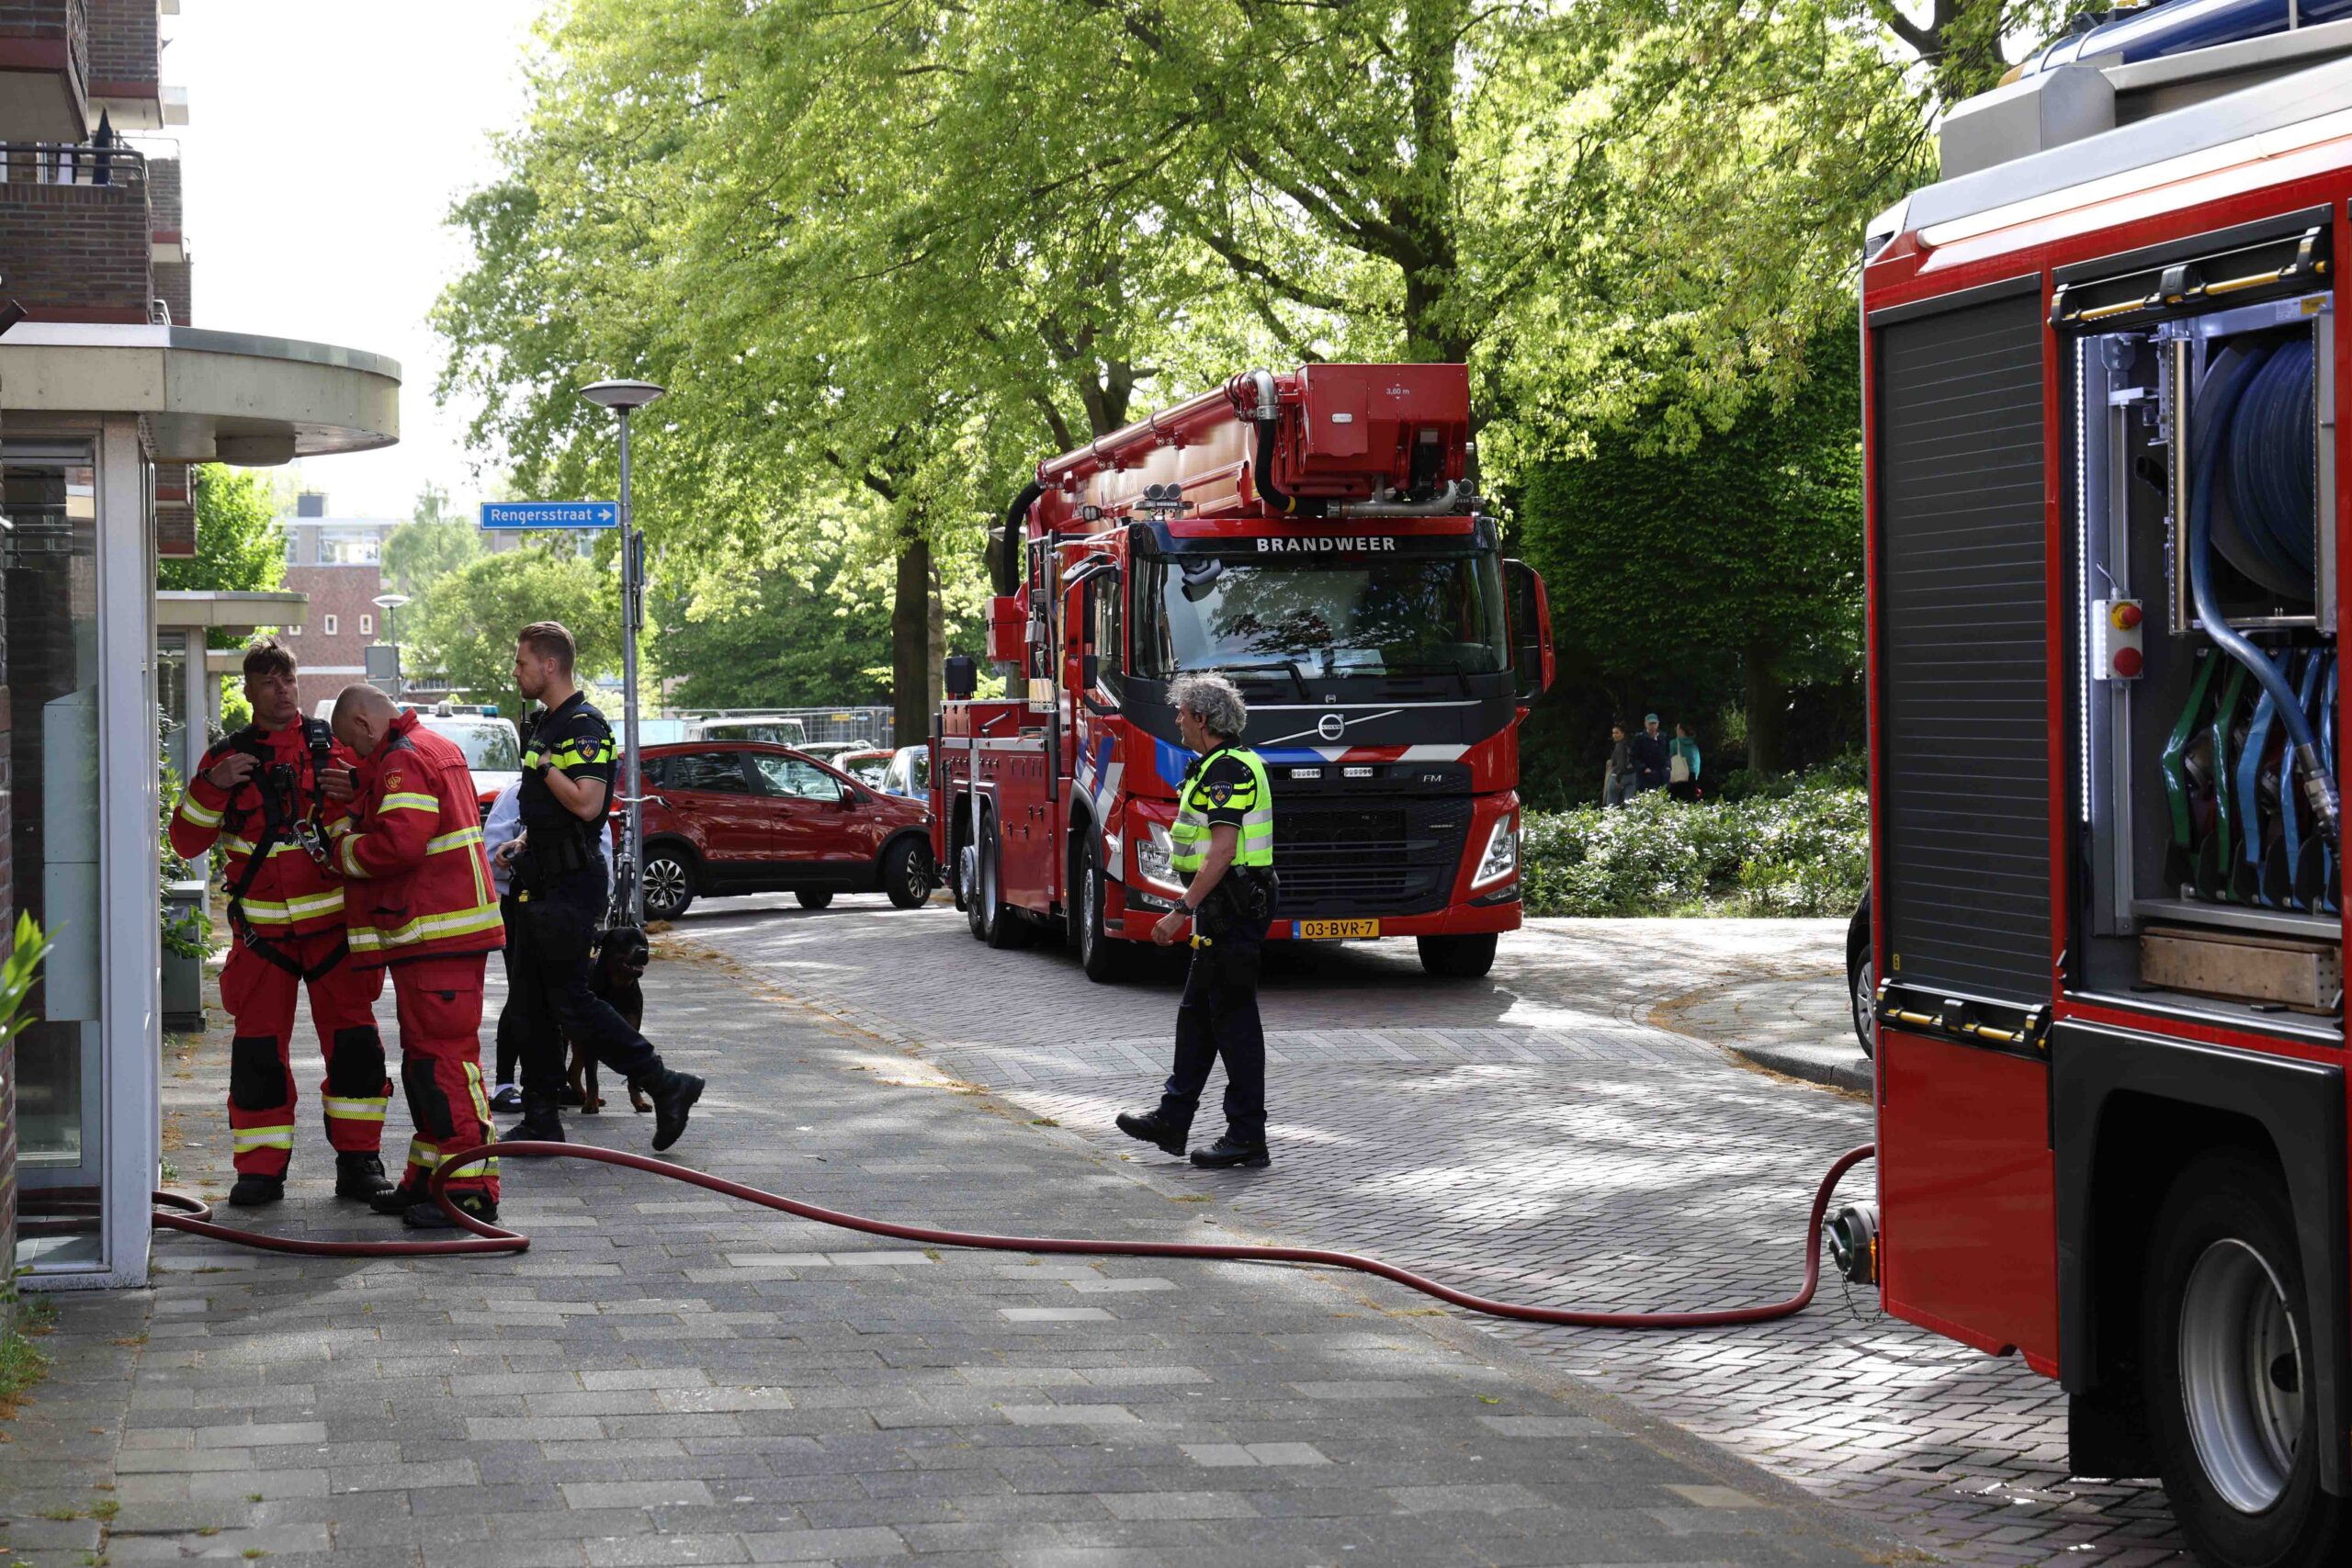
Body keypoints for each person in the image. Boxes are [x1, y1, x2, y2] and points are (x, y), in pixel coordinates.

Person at [167, 639, 392, 1208]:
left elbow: (380, 819)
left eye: (287, 679)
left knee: (355, 1047)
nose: (282, 690)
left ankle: (360, 1161)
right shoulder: (224, 760)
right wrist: (214, 787)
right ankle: (261, 1170)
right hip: (263, 936)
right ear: (248, 690)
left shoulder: (333, 748)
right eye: (268, 681)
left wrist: (358, 791)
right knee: (258, 1053)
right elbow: (185, 841)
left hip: (334, 932)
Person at [499, 622, 703, 1150]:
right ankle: (542, 1115)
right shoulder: (549, 724)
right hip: (541, 882)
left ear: (549, 666)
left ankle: (665, 1083)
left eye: (522, 662)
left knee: (571, 1000)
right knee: (530, 1007)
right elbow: (554, 812)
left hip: (570, 887)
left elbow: (589, 804)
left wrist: (545, 766)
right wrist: (524, 840)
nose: (515, 672)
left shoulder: (583, 726)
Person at [327, 683, 507, 1228]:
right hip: (437, 938)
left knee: (445, 1063)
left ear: (365, 723)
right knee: (425, 1064)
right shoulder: (434, 746)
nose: (358, 756)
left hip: (436, 937)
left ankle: (470, 1191)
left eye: (355, 745)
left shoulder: (403, 759)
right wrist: (363, 783)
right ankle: (430, 1179)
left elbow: (400, 843)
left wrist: (341, 849)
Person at [1114, 673, 1277, 1170]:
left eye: (1182, 713)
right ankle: (1173, 1118)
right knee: (1198, 1017)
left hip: (1232, 907)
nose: (1177, 721)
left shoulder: (1228, 770)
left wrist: (1180, 911)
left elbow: (1223, 851)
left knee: (1234, 1023)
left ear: (1203, 719)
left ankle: (1246, 1136)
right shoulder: (1220, 764)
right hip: (1225, 906)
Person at [482, 779, 611, 1115]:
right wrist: (521, 863)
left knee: (559, 997)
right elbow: (491, 854)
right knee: (522, 995)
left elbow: (602, 851)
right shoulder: (516, 795)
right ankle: (505, 1083)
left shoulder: (586, 795)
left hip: (571, 907)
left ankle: (549, 1082)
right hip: (522, 904)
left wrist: (597, 905)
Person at [1631, 712, 1670, 795]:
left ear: (1658, 724)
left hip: (1662, 775)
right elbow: (1634, 757)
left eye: (1654, 723)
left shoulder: (1663, 737)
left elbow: (1668, 753)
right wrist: (1644, 768)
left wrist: (1668, 766)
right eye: (1650, 724)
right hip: (1646, 777)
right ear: (1645, 724)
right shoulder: (1639, 738)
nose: (1653, 726)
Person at [1668, 721, 1703, 803]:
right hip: (1692, 778)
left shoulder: (1674, 744)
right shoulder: (1694, 746)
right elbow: (1697, 764)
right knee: (1690, 804)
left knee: (1675, 803)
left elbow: (1667, 759)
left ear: (1681, 731)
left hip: (1677, 778)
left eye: (1677, 729)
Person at [1604, 723, 1634, 808]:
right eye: (1613, 733)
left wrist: (1618, 779)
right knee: (1629, 803)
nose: (1614, 735)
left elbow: (1621, 764)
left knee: (1611, 804)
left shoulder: (1619, 746)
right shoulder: (1629, 744)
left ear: (1623, 734)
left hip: (1618, 776)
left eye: (1617, 733)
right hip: (1631, 775)